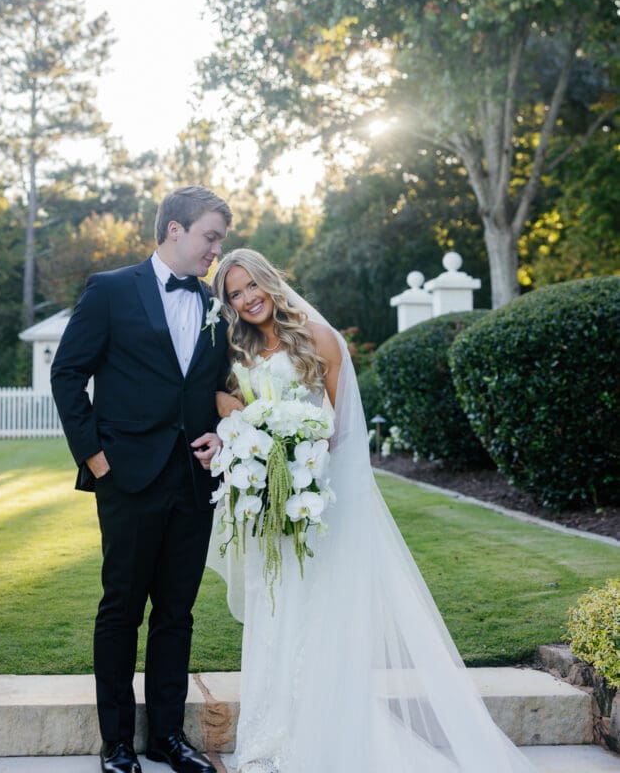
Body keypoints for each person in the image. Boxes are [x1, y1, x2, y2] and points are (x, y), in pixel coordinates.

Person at [209, 248, 537, 773]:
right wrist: (240, 421)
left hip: (311, 499)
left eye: (252, 286)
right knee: (274, 611)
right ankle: (272, 735)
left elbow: (342, 428)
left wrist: (301, 466)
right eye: (234, 294)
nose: (247, 299)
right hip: (267, 504)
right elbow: (228, 402)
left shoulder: (319, 339)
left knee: (314, 616)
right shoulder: (238, 349)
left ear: (270, 282)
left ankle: (320, 731)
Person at [51, 185, 232, 773]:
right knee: (121, 609)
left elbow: (224, 390)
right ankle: (118, 743)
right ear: (175, 229)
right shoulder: (110, 289)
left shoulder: (216, 306)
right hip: (126, 477)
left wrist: (228, 437)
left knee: (177, 613)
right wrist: (95, 460)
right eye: (211, 236)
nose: (216, 250)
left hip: (193, 481)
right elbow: (68, 373)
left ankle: (167, 739)